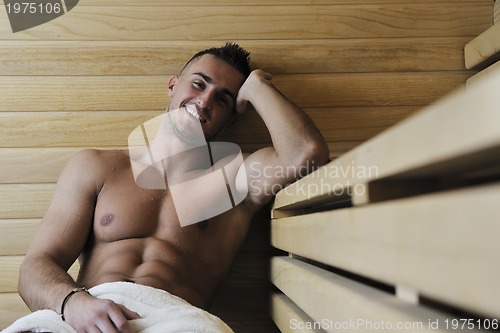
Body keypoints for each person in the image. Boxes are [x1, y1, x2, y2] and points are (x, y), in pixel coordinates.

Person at [13, 43, 329, 333]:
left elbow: (306, 152)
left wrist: (258, 87)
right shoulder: (96, 166)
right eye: (199, 83)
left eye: (222, 98)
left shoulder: (236, 179)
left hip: (177, 321)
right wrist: (73, 303)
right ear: (172, 85)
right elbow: (36, 266)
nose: (204, 101)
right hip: (86, 312)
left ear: (230, 119)